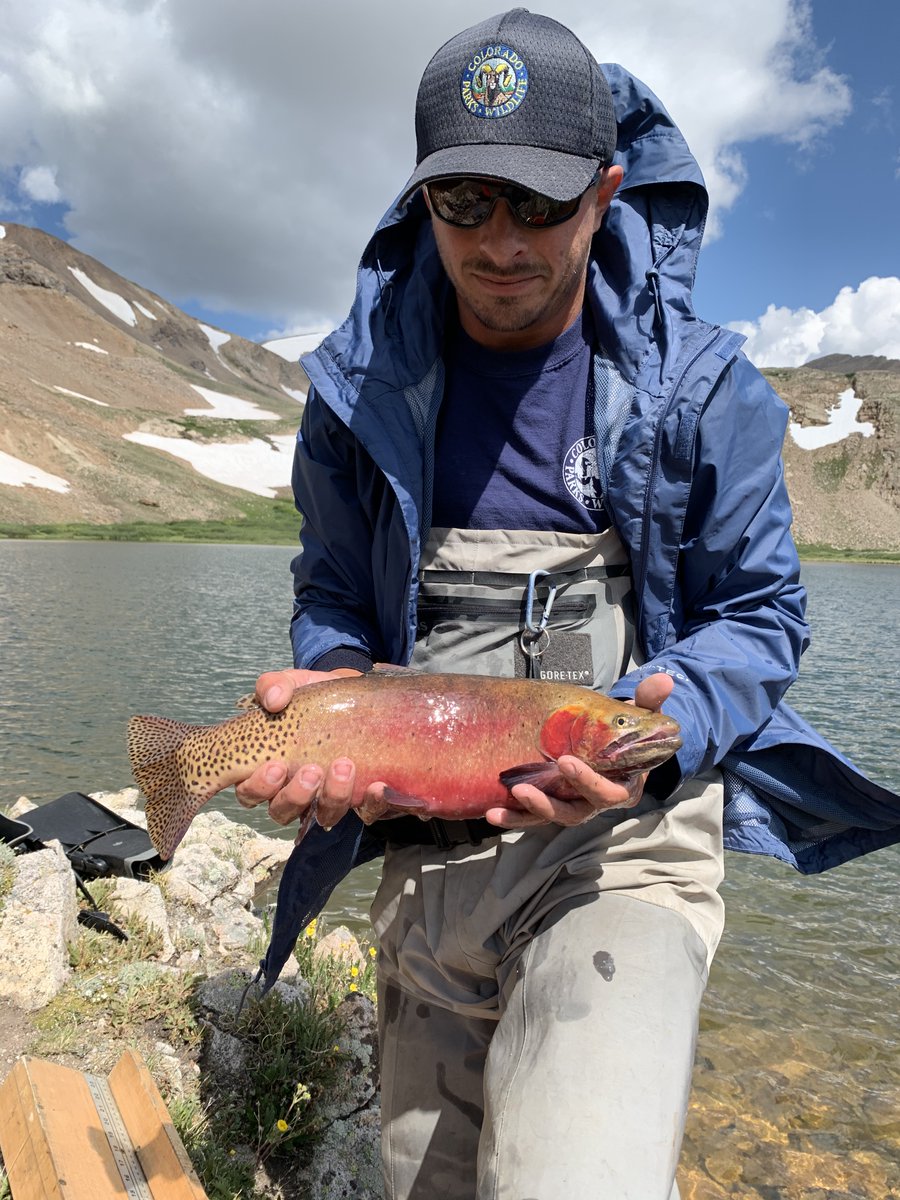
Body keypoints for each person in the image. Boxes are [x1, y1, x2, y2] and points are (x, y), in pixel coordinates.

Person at [235, 10, 900, 1199]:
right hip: (422, 863)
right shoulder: (351, 395)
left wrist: (669, 726)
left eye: (539, 205)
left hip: (623, 848)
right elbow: (333, 590)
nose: (501, 243)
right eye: (467, 204)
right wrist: (331, 682)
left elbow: (761, 618)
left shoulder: (707, 395)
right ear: (424, 200)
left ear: (605, 191)